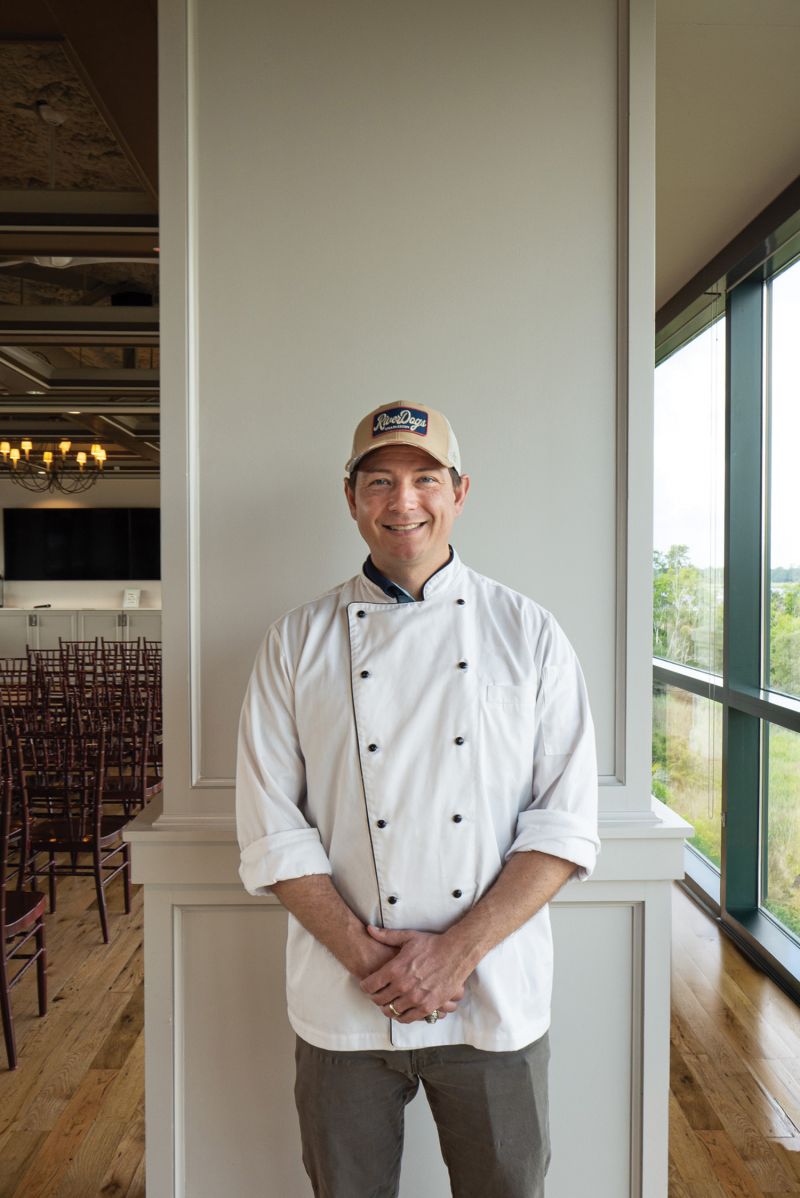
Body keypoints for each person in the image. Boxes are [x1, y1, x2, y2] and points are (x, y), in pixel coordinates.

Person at [236, 402, 600, 1198]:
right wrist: (377, 965)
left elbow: (564, 825)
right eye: (380, 482)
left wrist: (453, 955)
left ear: (460, 491)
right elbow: (271, 831)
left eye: (424, 479)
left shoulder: (529, 633)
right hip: (343, 997)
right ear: (351, 496)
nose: (403, 502)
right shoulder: (295, 642)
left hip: (492, 994)